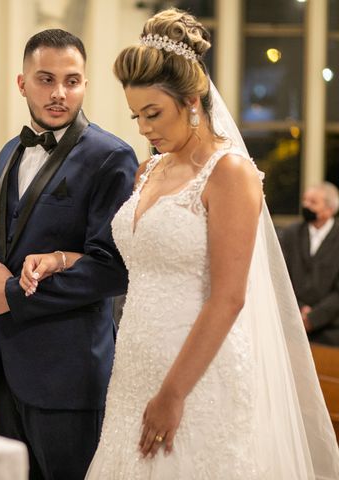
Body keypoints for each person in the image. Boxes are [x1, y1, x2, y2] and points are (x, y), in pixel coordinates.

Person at [23, 9, 339, 479]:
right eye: (136, 116)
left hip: (197, 377)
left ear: (192, 101)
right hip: (133, 367)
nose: (144, 129)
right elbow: (142, 264)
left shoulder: (230, 173)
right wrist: (61, 258)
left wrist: (173, 393)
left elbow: (230, 298)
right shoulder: (150, 170)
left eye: (154, 114)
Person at [0, 29, 138, 479]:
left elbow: (113, 270)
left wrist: (17, 296)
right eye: (45, 79)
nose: (60, 93)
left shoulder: (111, 156)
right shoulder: (7, 154)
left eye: (72, 80)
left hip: (69, 377)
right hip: (1, 374)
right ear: (21, 84)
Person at [280, 182, 339, 346]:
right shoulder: (291, 233)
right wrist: (299, 311)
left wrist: (313, 318)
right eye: (305, 200)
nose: (305, 205)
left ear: (329, 209)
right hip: (292, 323)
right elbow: (282, 277)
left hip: (330, 331)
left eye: (313, 202)